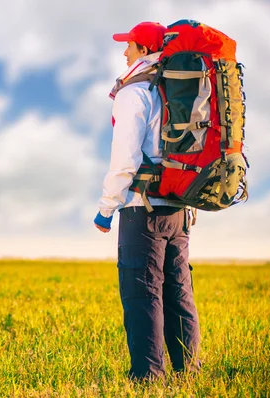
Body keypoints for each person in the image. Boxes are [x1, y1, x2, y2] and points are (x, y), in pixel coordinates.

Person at [93, 22, 201, 380]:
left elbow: (125, 159)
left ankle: (148, 376)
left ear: (143, 49)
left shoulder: (134, 91)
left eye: (129, 46)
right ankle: (189, 371)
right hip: (179, 207)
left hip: (143, 209)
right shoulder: (178, 86)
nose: (125, 52)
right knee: (179, 292)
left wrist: (107, 208)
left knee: (143, 295)